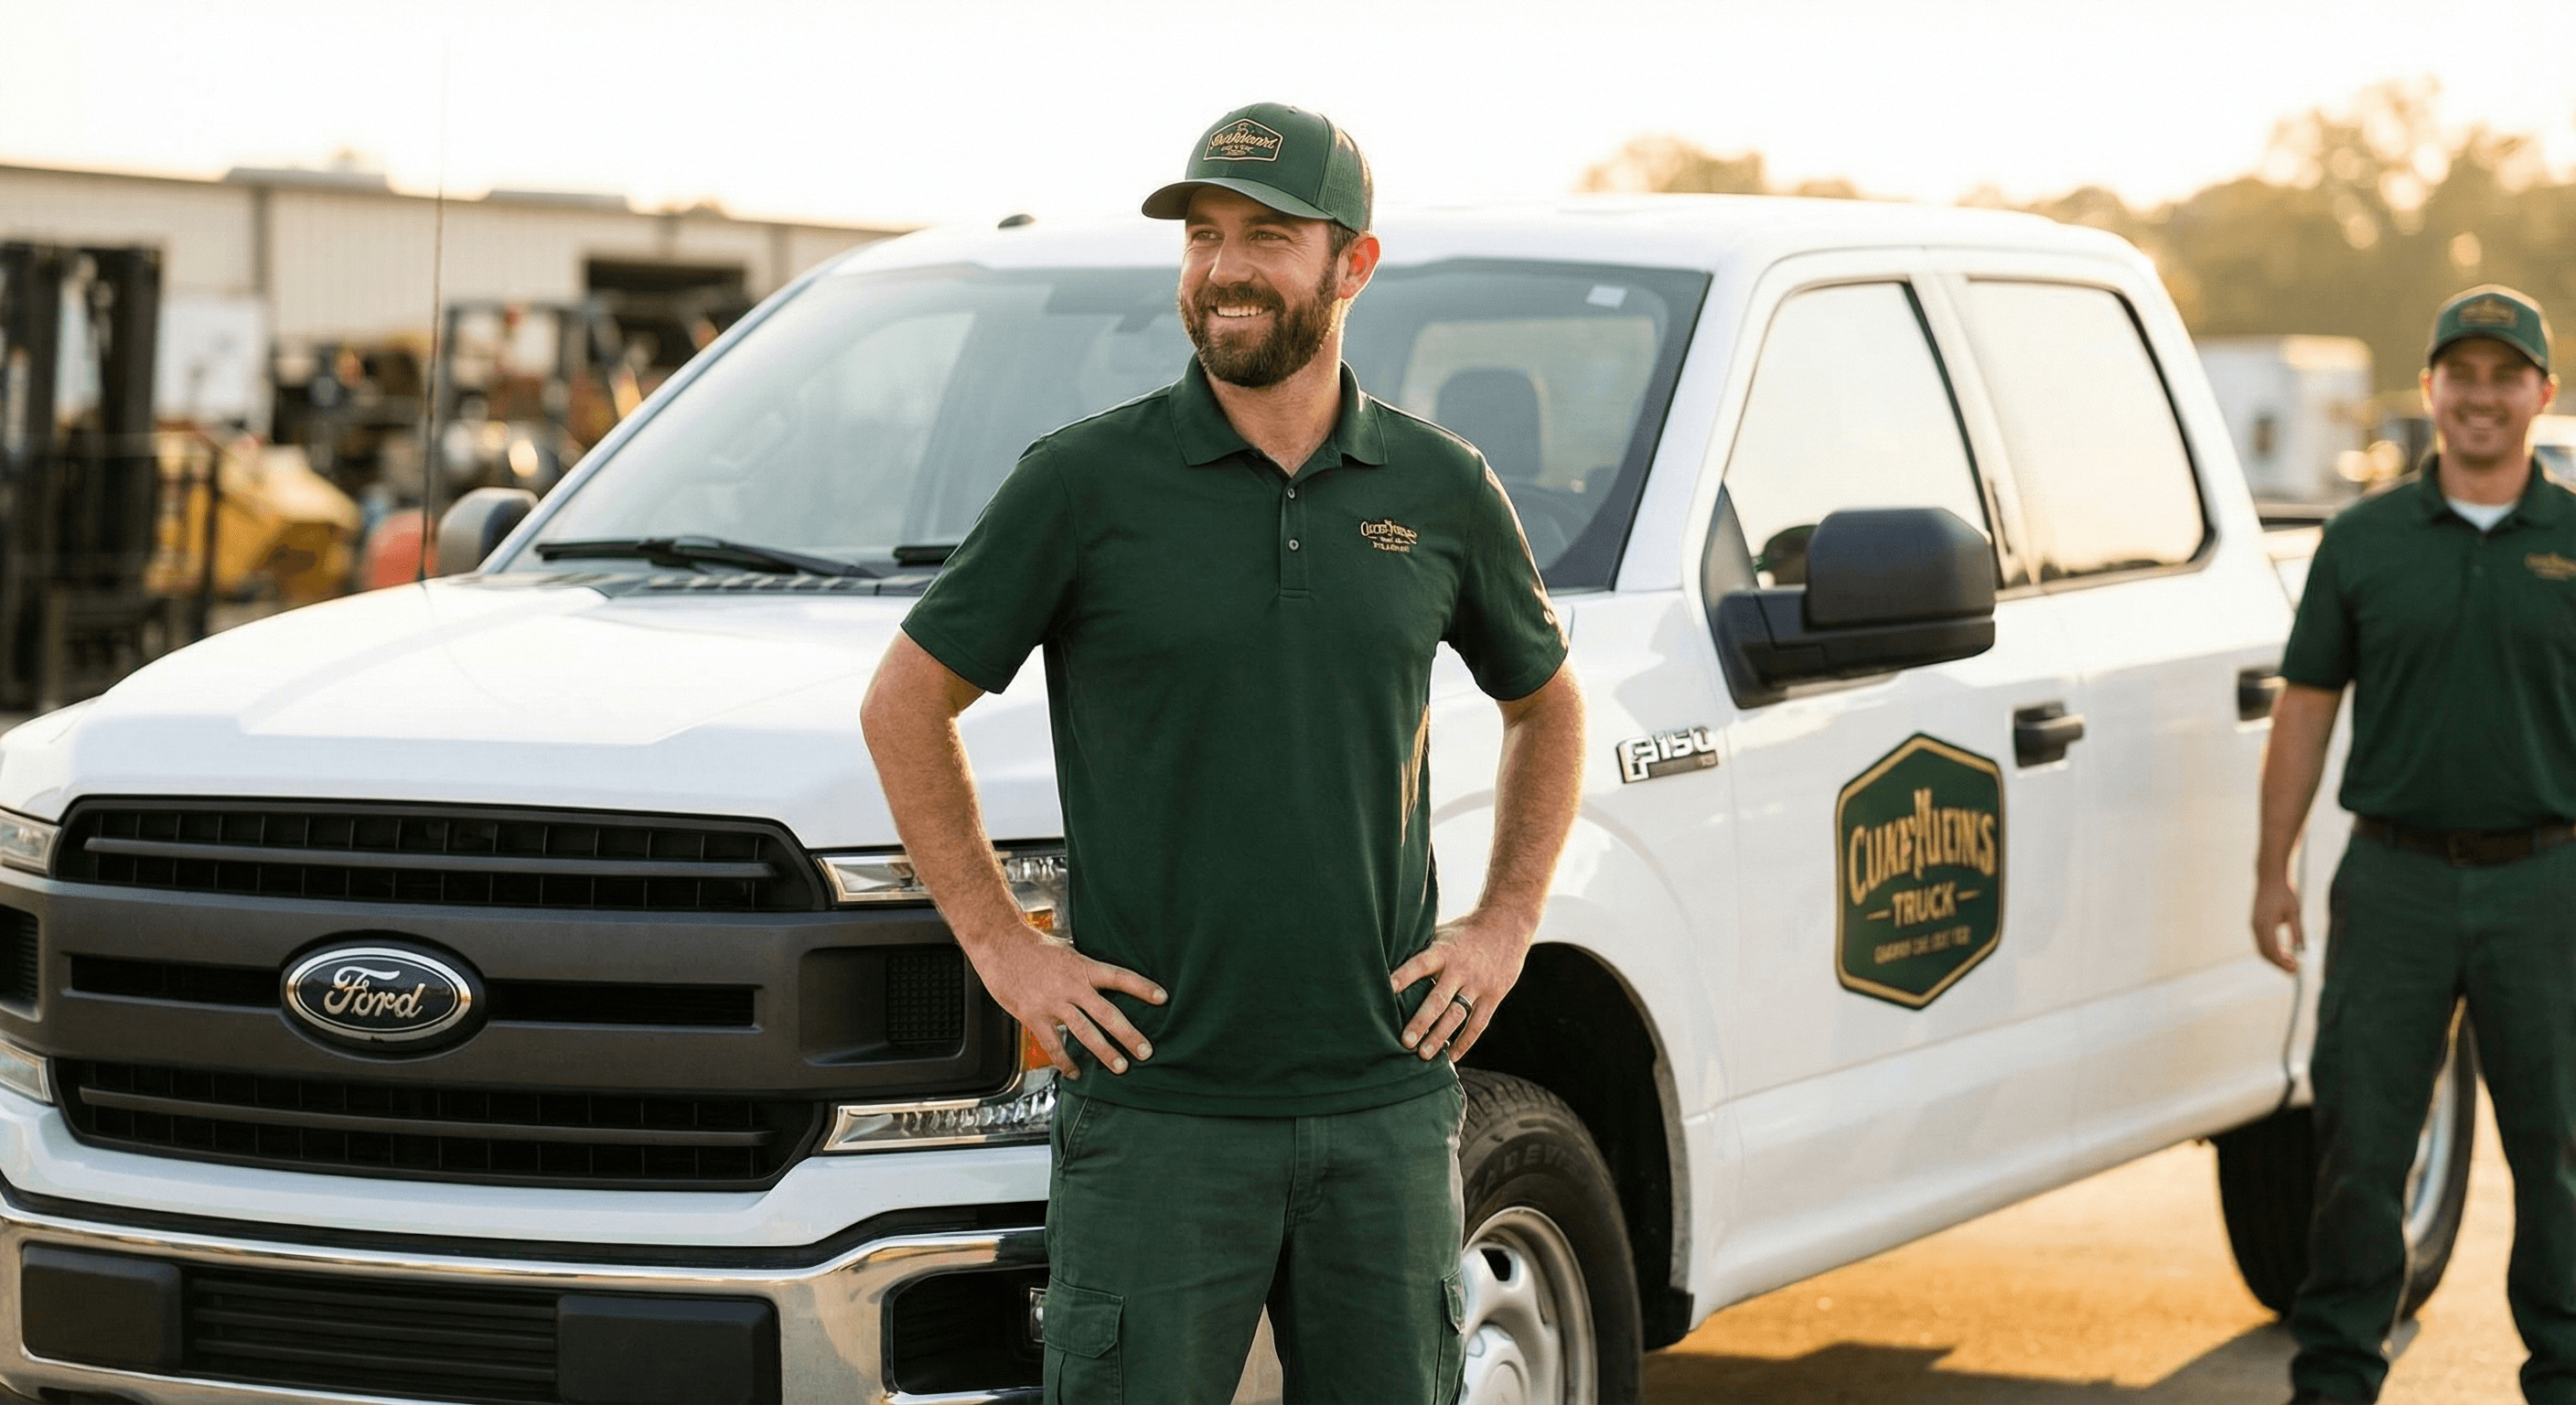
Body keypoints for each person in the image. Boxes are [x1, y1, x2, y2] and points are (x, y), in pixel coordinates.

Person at [860, 102, 1586, 1403]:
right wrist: (1002, 946)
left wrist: (1506, 921)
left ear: (1352, 264)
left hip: (1384, 1107)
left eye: (1266, 235)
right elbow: (905, 704)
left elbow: (1550, 703)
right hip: (1157, 1118)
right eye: (1202, 234)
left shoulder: (1438, 489)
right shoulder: (1084, 486)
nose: (1222, 268)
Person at [2253, 284, 2575, 1405]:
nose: (2481, 396)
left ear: (2540, 389)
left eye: (2505, 374)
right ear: (2429, 387)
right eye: (2461, 373)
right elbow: (2302, 707)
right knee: (2357, 1156)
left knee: (2561, 1163)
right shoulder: (2361, 539)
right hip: (2389, 883)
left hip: (2546, 884)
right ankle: (2335, 1381)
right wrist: (2272, 869)